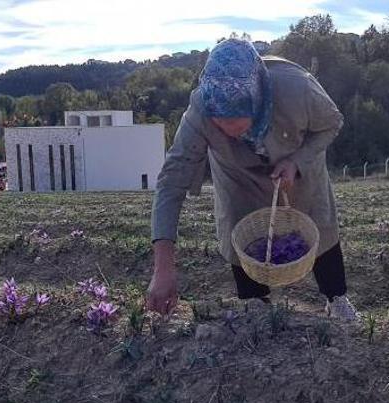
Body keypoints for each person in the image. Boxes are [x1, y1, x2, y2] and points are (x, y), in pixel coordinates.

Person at [146, 39, 359, 321]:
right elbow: (172, 180)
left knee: (318, 224)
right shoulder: (199, 110)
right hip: (237, 173)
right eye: (222, 126)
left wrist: (298, 161)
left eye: (239, 123)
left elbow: (331, 124)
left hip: (295, 161)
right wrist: (163, 270)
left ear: (259, 101)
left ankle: (336, 297)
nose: (232, 134)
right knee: (240, 230)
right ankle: (256, 307)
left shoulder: (298, 88)